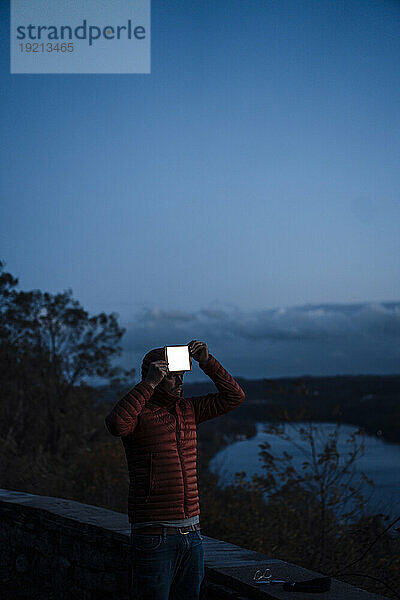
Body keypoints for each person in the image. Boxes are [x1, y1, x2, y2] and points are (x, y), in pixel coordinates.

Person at [104, 340, 245, 600]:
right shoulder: (139, 416)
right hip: (154, 536)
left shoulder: (188, 409)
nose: (180, 383)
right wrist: (149, 383)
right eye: (172, 377)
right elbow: (117, 424)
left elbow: (235, 397)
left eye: (181, 377)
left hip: (192, 535)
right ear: (156, 377)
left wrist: (207, 361)